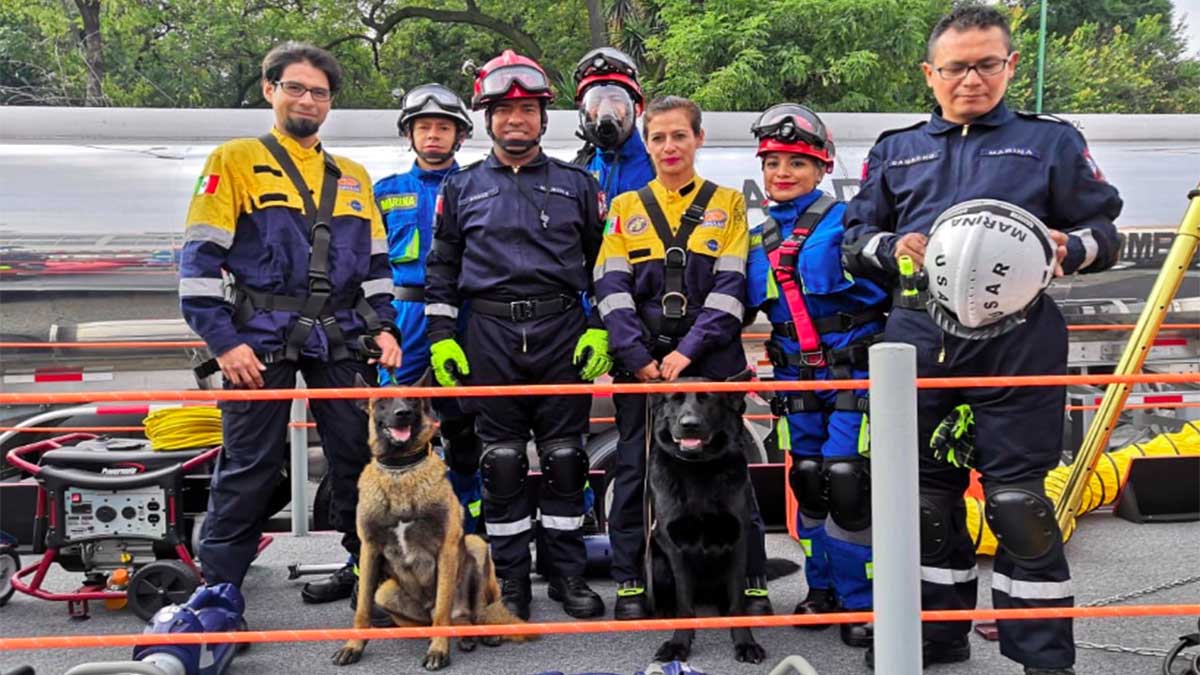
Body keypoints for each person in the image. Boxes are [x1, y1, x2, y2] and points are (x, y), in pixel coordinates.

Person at [841, 5, 1122, 674]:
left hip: (1018, 340)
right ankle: (935, 636)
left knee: (1018, 505)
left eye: (986, 64)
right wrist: (892, 248)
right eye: (956, 67)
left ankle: (1043, 656)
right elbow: (854, 241)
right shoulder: (896, 148)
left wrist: (1069, 247)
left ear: (1011, 65)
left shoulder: (1051, 143)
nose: (971, 79)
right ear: (929, 74)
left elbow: (1106, 234)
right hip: (918, 339)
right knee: (924, 504)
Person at [179, 42, 401, 609]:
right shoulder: (233, 160)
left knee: (358, 460)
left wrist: (384, 328)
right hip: (256, 338)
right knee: (249, 463)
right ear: (270, 90)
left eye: (319, 92)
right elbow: (199, 263)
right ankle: (218, 593)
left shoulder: (352, 177)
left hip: (339, 335)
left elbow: (377, 268)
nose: (307, 100)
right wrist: (224, 343)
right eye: (295, 87)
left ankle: (369, 576)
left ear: (330, 103)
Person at [423, 49, 610, 621]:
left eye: (527, 110)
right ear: (487, 119)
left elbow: (605, 265)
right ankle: (508, 580)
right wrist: (442, 336)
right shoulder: (460, 187)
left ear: (544, 118)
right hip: (489, 334)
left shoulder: (578, 184)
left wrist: (598, 327)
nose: (515, 120)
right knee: (500, 463)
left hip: (561, 333)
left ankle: (567, 574)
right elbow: (442, 267)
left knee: (566, 459)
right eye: (503, 111)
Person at [593, 95, 772, 620]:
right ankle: (631, 581)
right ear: (646, 144)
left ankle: (752, 581)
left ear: (698, 138)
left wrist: (687, 352)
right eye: (658, 137)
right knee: (634, 470)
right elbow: (610, 288)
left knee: (732, 473)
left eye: (679, 135)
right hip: (643, 364)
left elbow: (731, 288)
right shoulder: (625, 209)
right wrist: (637, 355)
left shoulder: (729, 205)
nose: (669, 146)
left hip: (711, 361)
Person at [745, 103, 886, 648]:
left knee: (847, 482)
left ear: (822, 167)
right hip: (793, 380)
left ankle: (861, 600)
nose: (783, 172)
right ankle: (820, 588)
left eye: (797, 163)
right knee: (807, 482)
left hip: (850, 375)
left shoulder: (848, 223)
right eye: (773, 162)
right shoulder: (754, 239)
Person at [373, 83, 484, 535]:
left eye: (443, 127)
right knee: (398, 428)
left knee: (465, 429)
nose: (433, 135)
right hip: (406, 320)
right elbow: (367, 264)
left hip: (464, 318)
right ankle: (398, 530)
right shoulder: (385, 192)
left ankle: (469, 523)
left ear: (460, 136)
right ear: (409, 134)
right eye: (424, 127)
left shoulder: (479, 185)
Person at [571, 47, 655, 208]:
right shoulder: (577, 171)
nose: (605, 109)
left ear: (637, 108)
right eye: (596, 101)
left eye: (615, 99)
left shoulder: (660, 168)